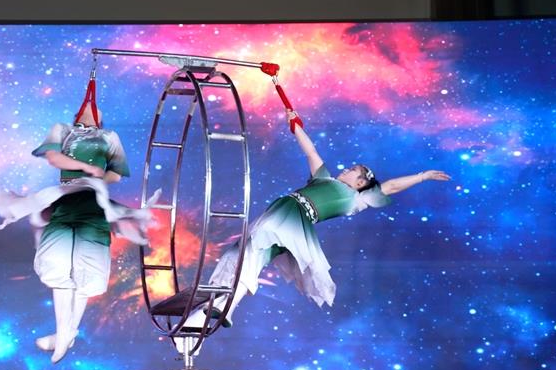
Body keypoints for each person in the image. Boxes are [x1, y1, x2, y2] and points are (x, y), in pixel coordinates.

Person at [183, 110, 451, 330]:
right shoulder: (324, 179)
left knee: (250, 255)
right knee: (239, 255)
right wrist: (295, 124)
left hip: (291, 220)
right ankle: (217, 305)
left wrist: (422, 176)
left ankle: (223, 305)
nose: (346, 169)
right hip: (279, 214)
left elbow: (390, 186)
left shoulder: (356, 200)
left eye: (353, 170)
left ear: (361, 183)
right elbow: (311, 152)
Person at [0, 107, 159, 363]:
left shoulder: (109, 136)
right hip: (66, 200)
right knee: (58, 265)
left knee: (87, 272)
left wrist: (96, 177)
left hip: (93, 202)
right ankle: (65, 334)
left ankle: (65, 335)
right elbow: (54, 158)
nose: (91, 112)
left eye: (96, 112)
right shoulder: (63, 130)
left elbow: (115, 174)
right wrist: (85, 168)